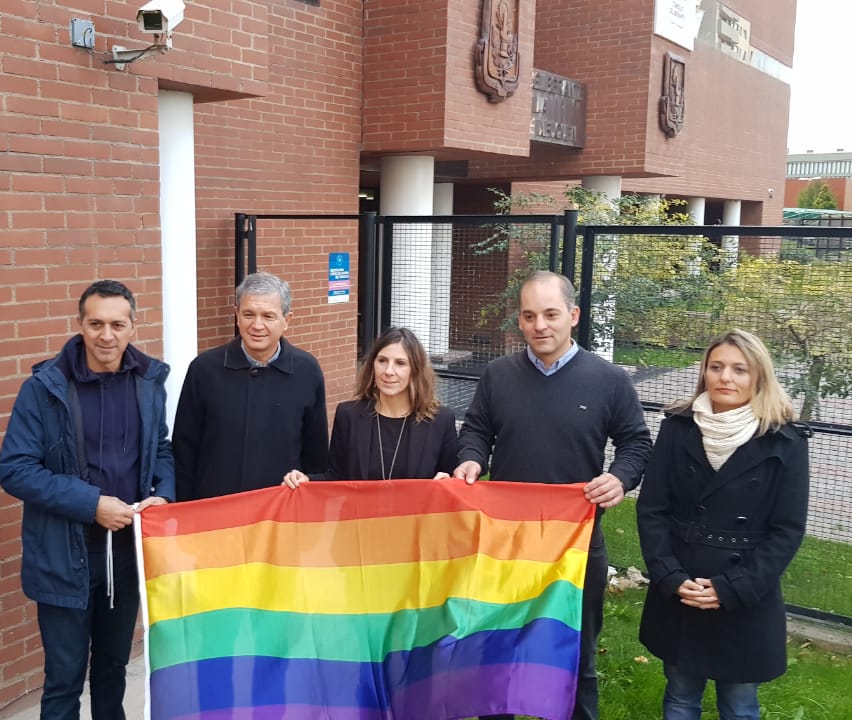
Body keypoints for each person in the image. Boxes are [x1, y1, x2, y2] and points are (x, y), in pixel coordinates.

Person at [453, 270, 653, 720]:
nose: (539, 325)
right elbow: (477, 430)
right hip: (507, 544)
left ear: (573, 315)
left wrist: (620, 477)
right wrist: (471, 458)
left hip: (575, 547)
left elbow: (637, 442)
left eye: (550, 314)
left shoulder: (609, 379)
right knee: (498, 650)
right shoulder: (498, 375)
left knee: (575, 656)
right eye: (529, 316)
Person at [0, 280, 174, 720]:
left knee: (113, 670)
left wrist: (164, 494)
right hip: (64, 556)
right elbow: (15, 469)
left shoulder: (149, 382)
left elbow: (161, 448)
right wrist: (92, 504)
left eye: (117, 324)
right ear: (80, 324)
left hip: (126, 554)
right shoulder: (44, 388)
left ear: (133, 327)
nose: (106, 335)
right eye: (96, 324)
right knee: (64, 679)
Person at [637, 329, 808, 720]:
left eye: (739, 369)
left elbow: (787, 530)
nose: (725, 378)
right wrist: (669, 576)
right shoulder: (678, 427)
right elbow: (652, 509)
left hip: (744, 592)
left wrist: (732, 588)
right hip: (684, 584)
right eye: (716, 367)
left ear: (758, 376)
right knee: (680, 695)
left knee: (739, 703)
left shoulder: (785, 440)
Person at [173, 271, 329, 500]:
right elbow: (184, 450)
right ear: (237, 316)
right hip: (215, 508)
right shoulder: (204, 369)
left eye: (268, 316)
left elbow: (316, 454)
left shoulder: (307, 371)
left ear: (287, 320)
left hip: (280, 507)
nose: (257, 325)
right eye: (248, 314)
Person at [283, 327, 457, 486]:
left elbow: (450, 480)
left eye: (400, 363)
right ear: (373, 365)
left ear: (415, 370)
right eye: (382, 360)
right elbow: (336, 476)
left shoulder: (441, 421)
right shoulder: (348, 415)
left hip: (417, 512)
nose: (388, 371)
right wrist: (305, 479)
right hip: (359, 512)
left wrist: (449, 480)